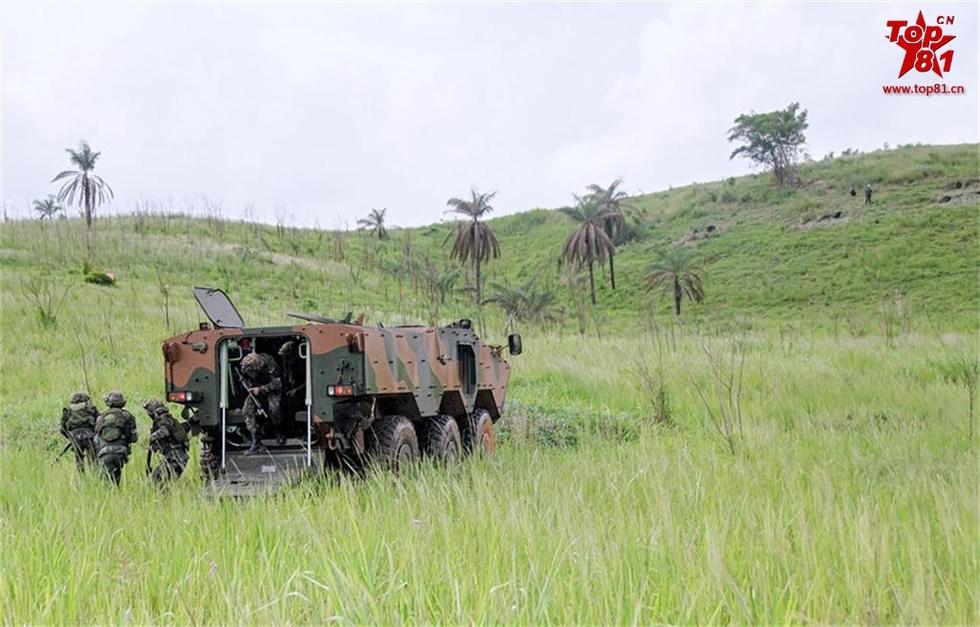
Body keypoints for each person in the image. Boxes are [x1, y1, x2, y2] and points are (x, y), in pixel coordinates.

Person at [239, 351, 282, 454]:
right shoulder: (245, 368)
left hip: (271, 389)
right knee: (247, 410)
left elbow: (278, 383)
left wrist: (262, 389)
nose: (251, 374)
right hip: (255, 391)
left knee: (274, 408)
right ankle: (256, 441)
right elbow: (246, 380)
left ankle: (279, 431)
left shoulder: (269, 363)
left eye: (253, 372)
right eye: (249, 372)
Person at [93, 391, 139, 485]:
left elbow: (96, 437)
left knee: (106, 481)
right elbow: (133, 438)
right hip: (121, 452)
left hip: (104, 452)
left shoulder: (101, 417)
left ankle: (110, 497)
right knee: (116, 477)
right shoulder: (128, 416)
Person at [143, 399, 190, 485]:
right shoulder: (169, 419)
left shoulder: (163, 420)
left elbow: (165, 432)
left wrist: (153, 437)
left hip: (174, 458)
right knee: (164, 484)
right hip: (178, 457)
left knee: (154, 482)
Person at [60, 391, 98, 472]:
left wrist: (70, 437)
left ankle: (82, 479)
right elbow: (99, 423)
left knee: (79, 461)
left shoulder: (68, 410)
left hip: (75, 439)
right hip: (90, 438)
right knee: (93, 461)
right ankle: (94, 478)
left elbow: (62, 429)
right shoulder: (91, 409)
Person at [279, 340, 306, 422]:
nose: (284, 358)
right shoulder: (288, 365)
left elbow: (308, 381)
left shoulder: (301, 364)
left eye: (286, 355)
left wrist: (297, 390)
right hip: (292, 392)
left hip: (301, 393)